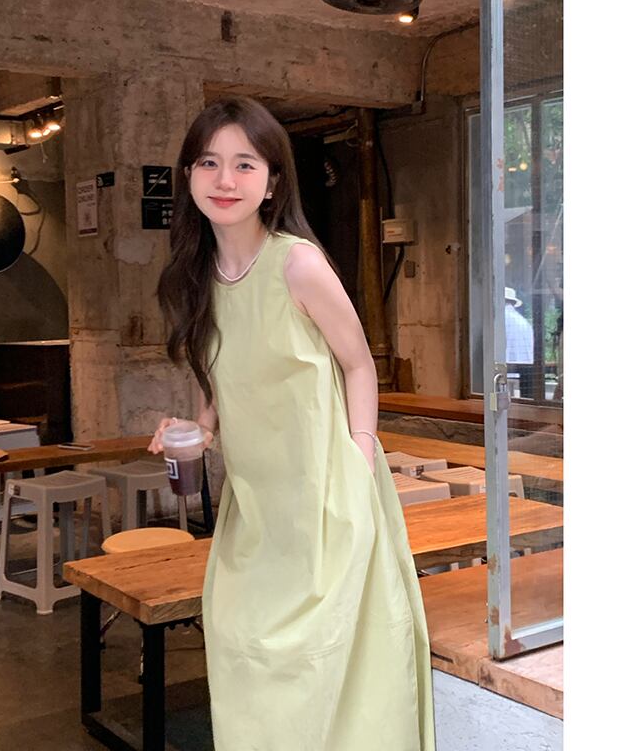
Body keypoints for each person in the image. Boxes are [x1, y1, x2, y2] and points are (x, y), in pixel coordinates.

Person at [147, 96, 435, 751]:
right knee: (245, 657)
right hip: (256, 514)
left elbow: (359, 365)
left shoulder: (297, 263)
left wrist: (359, 460)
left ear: (272, 181)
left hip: (329, 496)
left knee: (336, 668)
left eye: (245, 164)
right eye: (209, 163)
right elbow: (223, 382)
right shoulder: (197, 277)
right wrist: (199, 431)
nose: (225, 179)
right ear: (188, 177)